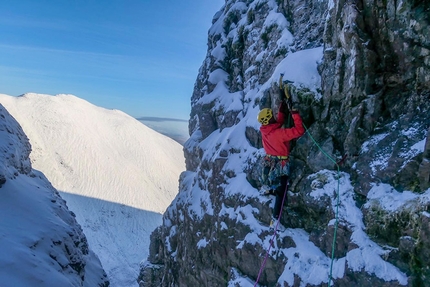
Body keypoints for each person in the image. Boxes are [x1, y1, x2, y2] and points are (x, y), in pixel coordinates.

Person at [257, 98, 305, 227]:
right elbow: (299, 131)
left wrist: (281, 111)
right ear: (268, 119)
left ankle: (268, 190)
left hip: (269, 161)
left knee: (273, 181)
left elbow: (277, 123)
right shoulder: (278, 134)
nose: (273, 117)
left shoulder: (265, 130)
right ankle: (275, 218)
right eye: (272, 116)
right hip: (280, 164)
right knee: (282, 191)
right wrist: (294, 114)